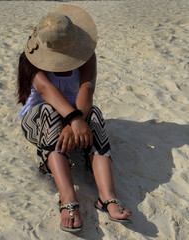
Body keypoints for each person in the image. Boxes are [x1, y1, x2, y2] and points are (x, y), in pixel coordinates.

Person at [17, 4, 132, 232]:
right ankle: (68, 198)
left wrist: (76, 120)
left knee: (96, 113)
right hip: (39, 117)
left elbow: (86, 88)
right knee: (49, 113)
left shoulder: (86, 55)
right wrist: (73, 120)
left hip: (77, 112)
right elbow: (48, 91)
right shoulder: (30, 59)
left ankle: (107, 197)